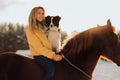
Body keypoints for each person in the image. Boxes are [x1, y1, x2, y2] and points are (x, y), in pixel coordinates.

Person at [26, 6, 63, 80]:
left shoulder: (46, 26)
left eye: (43, 13)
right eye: (39, 13)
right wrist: (53, 56)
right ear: (33, 15)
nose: (41, 15)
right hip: (39, 55)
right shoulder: (31, 29)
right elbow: (38, 48)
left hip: (49, 52)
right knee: (51, 70)